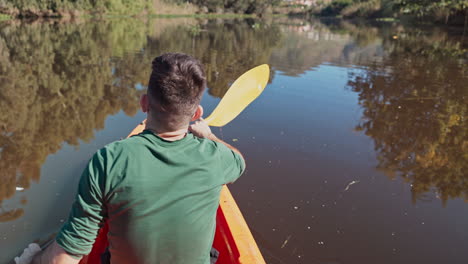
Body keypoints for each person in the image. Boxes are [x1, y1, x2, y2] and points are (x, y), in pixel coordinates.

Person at [17, 53, 245, 264]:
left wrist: (35, 260)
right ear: (196, 114)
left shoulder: (108, 160)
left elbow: (66, 256)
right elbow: (239, 161)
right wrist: (209, 135)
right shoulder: (217, 156)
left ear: (144, 102)